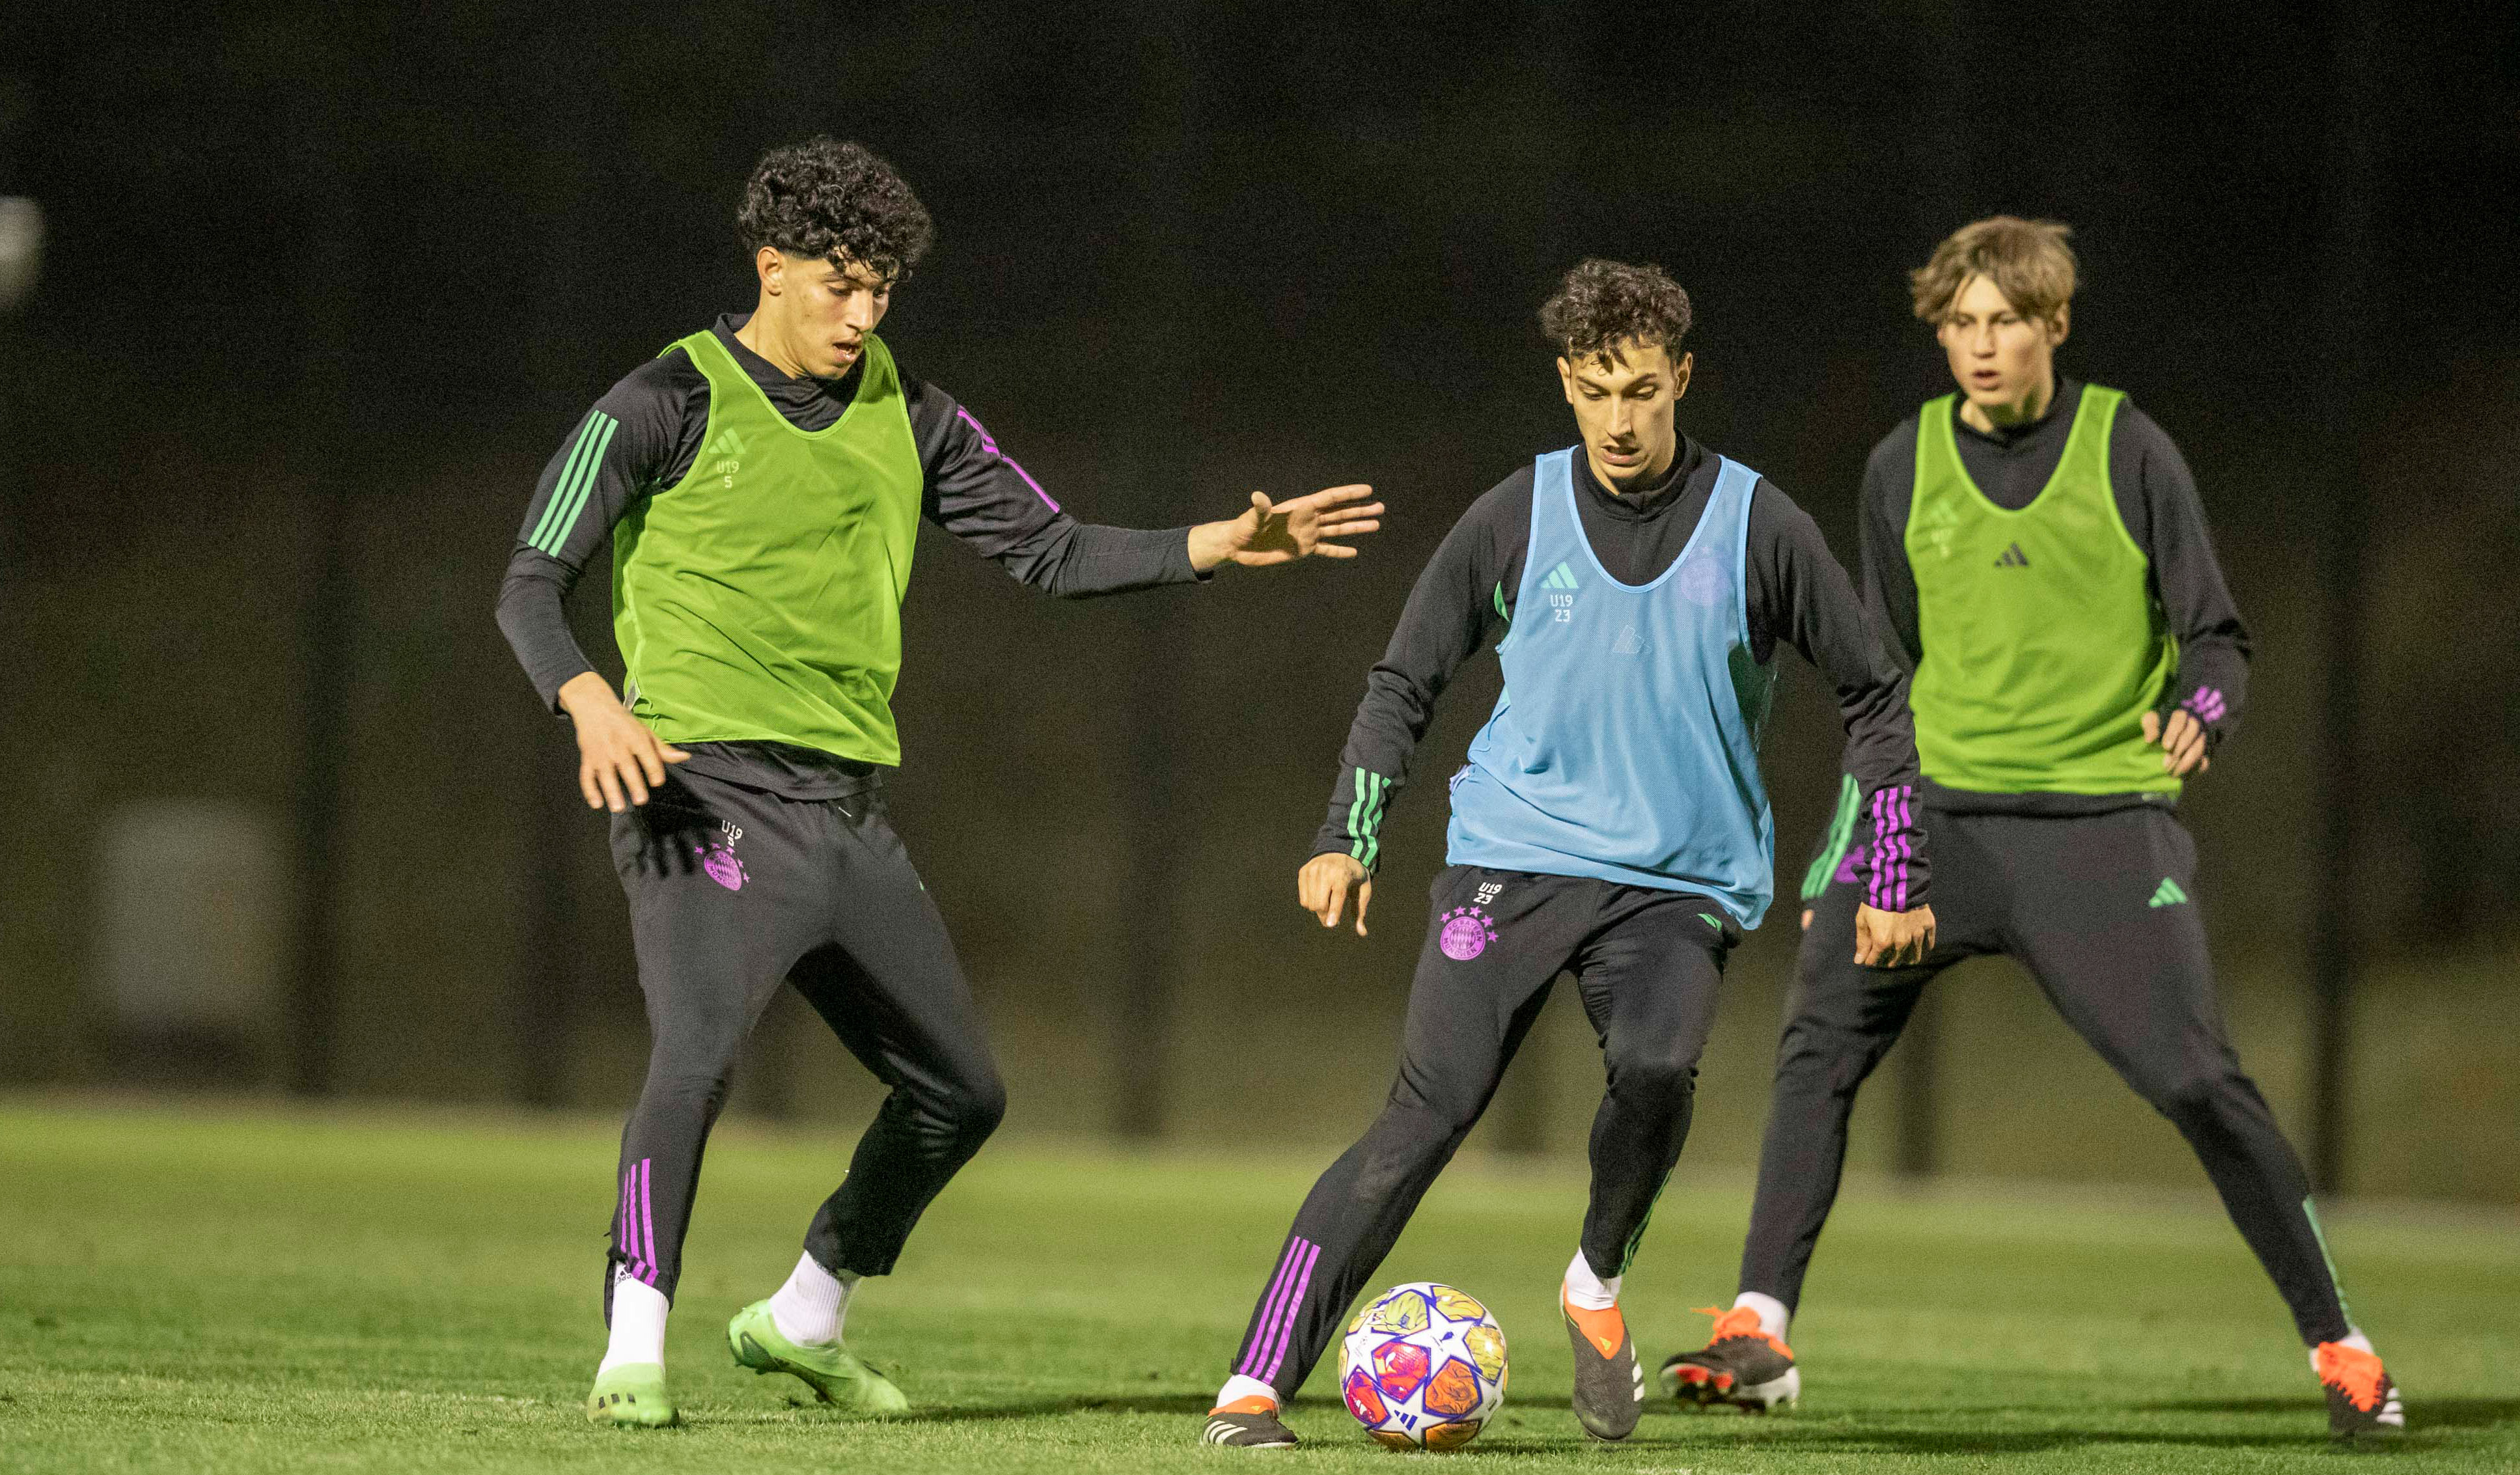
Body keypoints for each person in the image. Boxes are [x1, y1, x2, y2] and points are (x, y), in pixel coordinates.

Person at [495, 136, 1383, 1429]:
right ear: (771, 267)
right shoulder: (661, 401)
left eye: (882, 291)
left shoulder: (909, 413)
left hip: (845, 810)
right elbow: (528, 582)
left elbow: (1052, 547)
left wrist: (1221, 542)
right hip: (698, 788)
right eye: (838, 286)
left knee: (962, 1092)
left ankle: (803, 1313)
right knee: (695, 1049)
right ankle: (632, 1341)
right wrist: (588, 699)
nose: (862, 315)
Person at [1657, 217, 2402, 1444]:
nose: (1981, 345)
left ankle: (2343, 1346)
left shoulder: (2129, 450)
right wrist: (1847, 839)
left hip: (2096, 827)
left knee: (2197, 1080)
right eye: (1959, 323)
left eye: (2005, 319)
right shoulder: (1901, 465)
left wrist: (2201, 706)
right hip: (1932, 821)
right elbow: (1875, 677)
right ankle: (1760, 1326)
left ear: (2053, 324)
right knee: (1812, 1049)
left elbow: (2216, 633)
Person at [1197, 258, 1933, 1450]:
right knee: (1421, 1119)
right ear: (1565, 385)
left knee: (1654, 1069)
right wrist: (1346, 832)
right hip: (1509, 859)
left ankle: (1593, 1282)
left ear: (1682, 379)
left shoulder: (1758, 522)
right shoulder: (1512, 514)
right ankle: (1254, 1382)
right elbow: (1405, 680)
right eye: (1596, 391)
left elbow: (1876, 696)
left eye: (1643, 389)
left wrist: (1893, 869)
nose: (1622, 419)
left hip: (1676, 888)